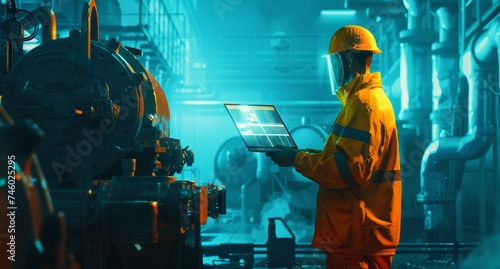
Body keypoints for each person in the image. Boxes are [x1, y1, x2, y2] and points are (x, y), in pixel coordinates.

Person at [266, 25, 402, 269]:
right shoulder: (361, 101)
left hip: (358, 237)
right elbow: (343, 158)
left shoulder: (364, 105)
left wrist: (297, 160)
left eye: (334, 61)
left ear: (347, 59)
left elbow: (349, 170)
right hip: (357, 235)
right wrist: (300, 154)